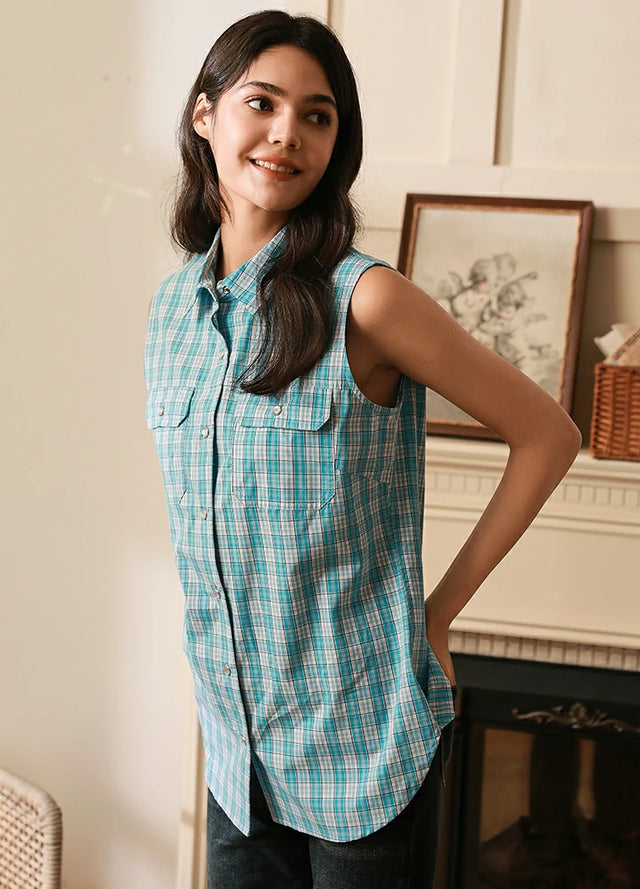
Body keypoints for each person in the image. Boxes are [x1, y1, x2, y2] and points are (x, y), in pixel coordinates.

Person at [144, 11, 582, 889]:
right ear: (205, 116)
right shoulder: (172, 313)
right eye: (260, 103)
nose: (286, 134)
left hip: (365, 750)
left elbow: (548, 434)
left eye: (318, 115)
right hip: (237, 752)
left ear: (337, 143)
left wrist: (439, 612)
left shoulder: (368, 300)